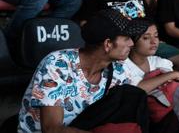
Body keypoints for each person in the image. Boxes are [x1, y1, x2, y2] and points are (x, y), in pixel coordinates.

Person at [18, 9, 149, 132]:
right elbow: (52, 129)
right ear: (108, 44)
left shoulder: (119, 69)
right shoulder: (57, 64)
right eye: (126, 38)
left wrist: (168, 76)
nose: (132, 43)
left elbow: (137, 91)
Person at [124, 22, 179, 86]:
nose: (154, 41)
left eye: (156, 36)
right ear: (131, 42)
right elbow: (136, 89)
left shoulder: (159, 62)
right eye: (146, 38)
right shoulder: (122, 67)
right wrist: (173, 74)